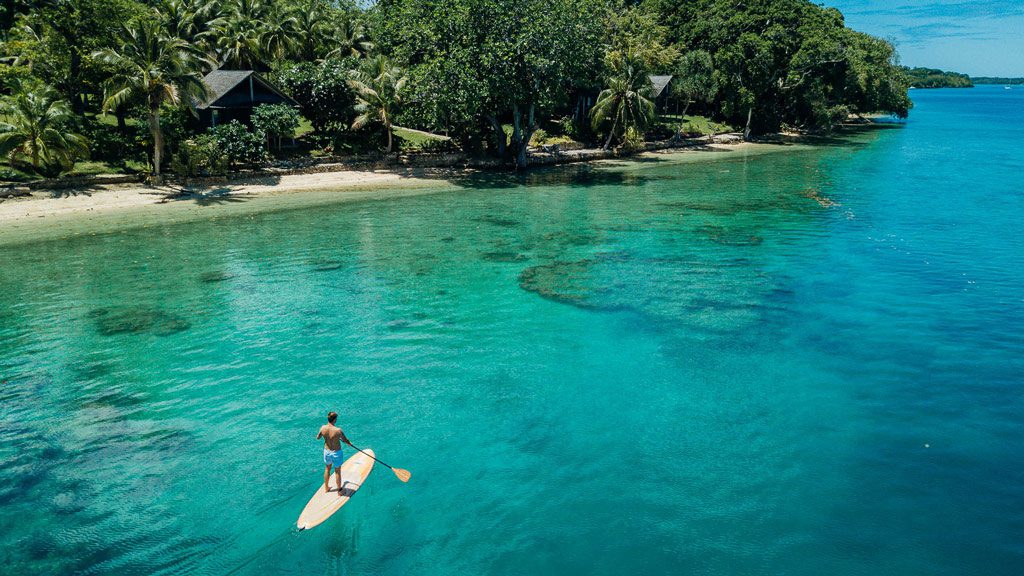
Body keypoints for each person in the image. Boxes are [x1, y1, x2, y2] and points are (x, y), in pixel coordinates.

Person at [317, 411, 351, 494]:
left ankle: (326, 488)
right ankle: (339, 491)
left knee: (327, 469)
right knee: (337, 471)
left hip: (327, 452)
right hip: (336, 453)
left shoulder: (323, 428)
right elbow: (345, 440)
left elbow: (318, 437)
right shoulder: (338, 430)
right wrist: (349, 443)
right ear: (335, 419)